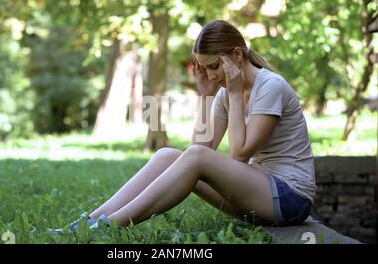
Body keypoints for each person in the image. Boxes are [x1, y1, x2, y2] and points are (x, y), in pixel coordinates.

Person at [55, 20, 316, 232]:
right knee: (168, 155)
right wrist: (205, 96)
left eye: (214, 66)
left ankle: (107, 228)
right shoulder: (225, 93)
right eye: (204, 69)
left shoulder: (270, 86)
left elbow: (239, 154)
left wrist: (235, 95)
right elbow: (199, 149)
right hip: (256, 197)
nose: (212, 76)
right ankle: (88, 222)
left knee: (192, 157)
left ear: (237, 54)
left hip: (289, 198)